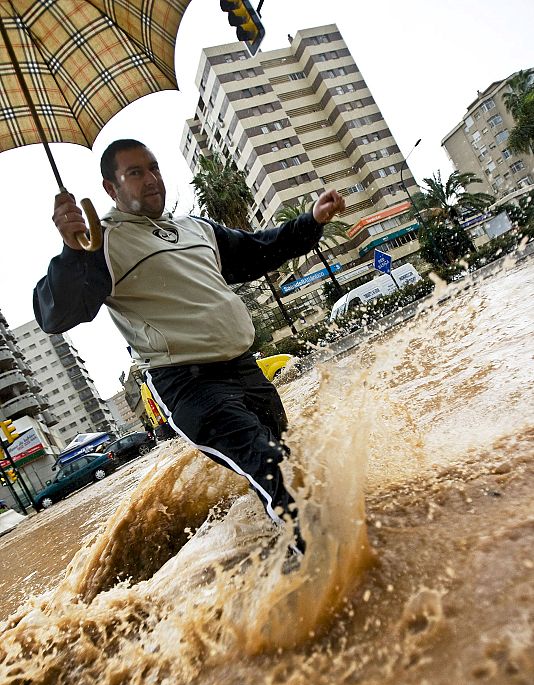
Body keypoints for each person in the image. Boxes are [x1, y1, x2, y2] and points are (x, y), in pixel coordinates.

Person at [34, 139, 346, 565]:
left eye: (154, 167)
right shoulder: (101, 243)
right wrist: (71, 252)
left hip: (245, 370)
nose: (151, 179)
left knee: (287, 463)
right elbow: (57, 313)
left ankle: (286, 549)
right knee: (270, 464)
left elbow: (258, 251)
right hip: (190, 385)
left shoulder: (196, 229)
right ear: (111, 188)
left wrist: (309, 221)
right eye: (135, 173)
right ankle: (322, 568)